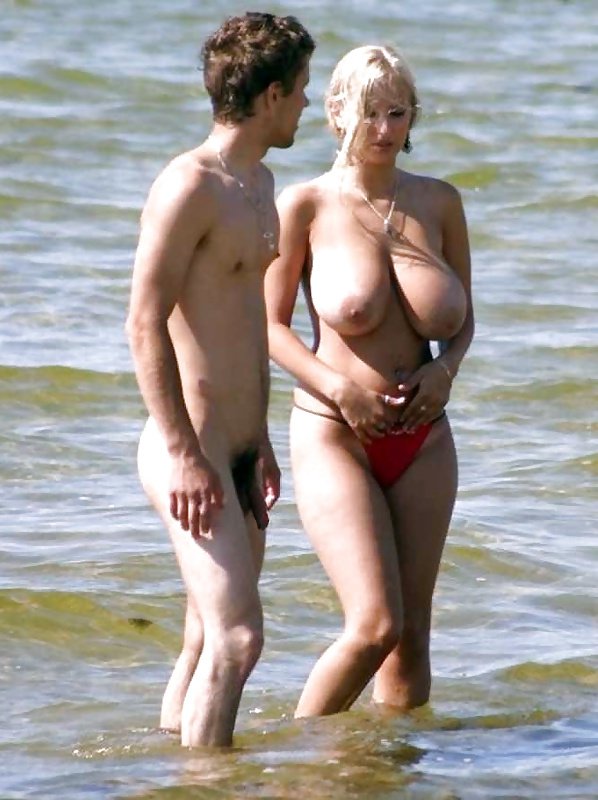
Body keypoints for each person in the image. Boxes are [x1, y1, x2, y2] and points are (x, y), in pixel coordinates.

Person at [265, 44, 474, 718]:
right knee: (374, 625)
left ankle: (390, 767)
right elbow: (269, 328)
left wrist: (445, 369)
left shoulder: (440, 202)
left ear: (413, 116)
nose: (384, 129)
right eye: (369, 113)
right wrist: (340, 389)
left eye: (397, 113)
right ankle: (301, 758)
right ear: (335, 113)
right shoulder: (304, 205)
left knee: (412, 639)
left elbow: (465, 320)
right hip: (335, 433)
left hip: (424, 437)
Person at [126, 12, 314, 747]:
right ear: (271, 96)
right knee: (239, 640)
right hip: (190, 449)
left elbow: (243, 326)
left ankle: (175, 776)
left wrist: (258, 439)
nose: (307, 102)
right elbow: (143, 322)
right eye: (301, 88)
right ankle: (211, 786)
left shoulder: (261, 182)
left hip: (237, 452)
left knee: (207, 637)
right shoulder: (190, 185)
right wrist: (183, 453)